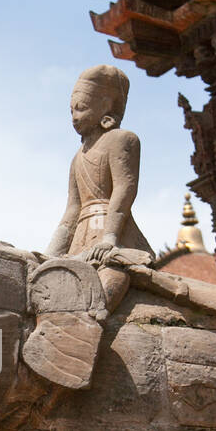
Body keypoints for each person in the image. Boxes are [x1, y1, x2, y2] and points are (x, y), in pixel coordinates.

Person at [46, 64, 153, 313]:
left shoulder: (122, 140)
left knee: (111, 275)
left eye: (81, 109)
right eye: (71, 110)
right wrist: (51, 252)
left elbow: (125, 189)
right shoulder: (76, 158)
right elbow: (72, 209)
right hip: (81, 235)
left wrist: (109, 238)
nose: (74, 117)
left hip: (112, 229)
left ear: (105, 106)